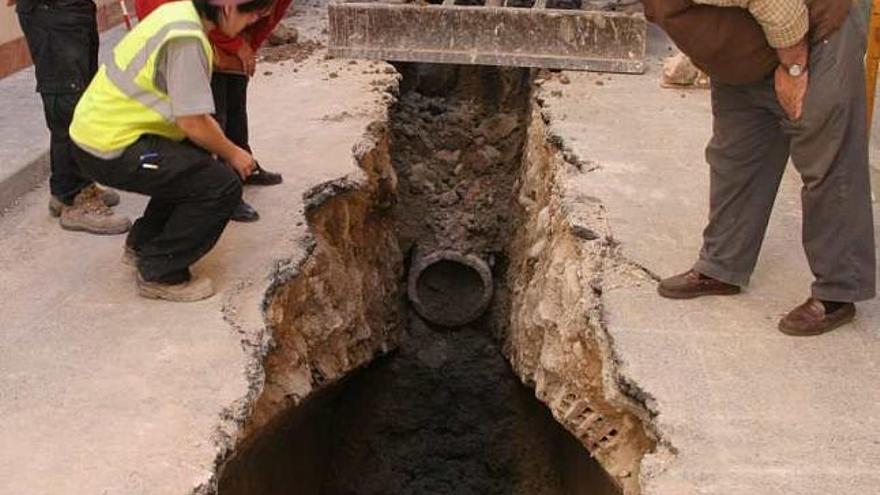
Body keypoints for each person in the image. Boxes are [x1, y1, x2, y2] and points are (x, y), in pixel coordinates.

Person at [644, 0, 876, 336]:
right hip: (751, 46)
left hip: (815, 29)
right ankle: (722, 265)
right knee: (736, 153)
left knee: (827, 163)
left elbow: (779, 5)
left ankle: (838, 292)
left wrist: (793, 68)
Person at [69, 0, 271, 301]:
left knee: (194, 164)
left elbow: (196, 119)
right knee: (221, 186)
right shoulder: (186, 39)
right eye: (252, 14)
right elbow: (192, 123)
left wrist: (225, 148)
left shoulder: (180, 13)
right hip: (113, 148)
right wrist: (234, 153)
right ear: (229, 7)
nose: (252, 22)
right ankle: (161, 271)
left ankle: (143, 245)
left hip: (105, 135)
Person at [135, 0, 288, 223]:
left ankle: (242, 167)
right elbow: (205, 13)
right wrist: (234, 45)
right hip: (184, 23)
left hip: (214, 21)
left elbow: (269, 15)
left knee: (235, 95)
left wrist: (246, 48)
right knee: (212, 111)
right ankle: (221, 185)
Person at [11, 0, 130, 234]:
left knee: (82, 99)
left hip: (72, 9)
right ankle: (74, 199)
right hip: (53, 12)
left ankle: (68, 186)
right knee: (68, 101)